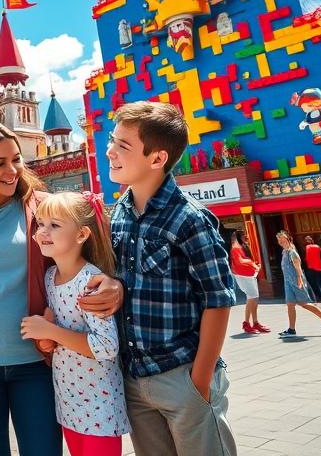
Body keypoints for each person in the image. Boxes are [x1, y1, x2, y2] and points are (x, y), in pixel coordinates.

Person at [0, 122, 122, 455]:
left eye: (17, 159)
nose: (12, 171)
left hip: (37, 363)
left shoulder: (44, 208)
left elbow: (91, 248)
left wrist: (112, 282)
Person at [79, 101, 237, 456]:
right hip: (133, 379)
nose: (110, 152)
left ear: (157, 159)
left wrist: (199, 380)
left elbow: (219, 298)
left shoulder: (190, 219)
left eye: (123, 145)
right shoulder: (117, 214)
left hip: (182, 374)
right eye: (112, 141)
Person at [20, 191, 130, 456]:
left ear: (81, 235)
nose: (43, 232)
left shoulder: (91, 282)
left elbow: (105, 346)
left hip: (99, 406)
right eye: (40, 224)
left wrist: (49, 331)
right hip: (68, 402)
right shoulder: (49, 276)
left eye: (55, 225)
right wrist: (47, 338)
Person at [275, 231, 321, 338]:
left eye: (282, 239)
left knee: (304, 304)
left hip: (296, 282)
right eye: (279, 240)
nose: (281, 241)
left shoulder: (292, 253)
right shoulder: (284, 252)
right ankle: (291, 329)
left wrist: (299, 281)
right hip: (288, 283)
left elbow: (298, 269)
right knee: (290, 304)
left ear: (288, 239)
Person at [230, 230, 269, 334]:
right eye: (243, 236)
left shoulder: (242, 247)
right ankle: (247, 323)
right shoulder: (235, 248)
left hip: (249, 275)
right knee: (251, 297)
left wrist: (254, 265)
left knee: (254, 298)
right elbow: (240, 261)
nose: (245, 237)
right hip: (243, 276)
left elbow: (244, 260)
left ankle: (255, 322)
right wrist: (253, 264)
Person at [303, 236, 321, 302]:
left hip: (309, 268)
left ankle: (319, 297)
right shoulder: (317, 247)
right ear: (312, 240)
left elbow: (304, 259)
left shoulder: (304, 248)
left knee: (314, 284)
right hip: (320, 267)